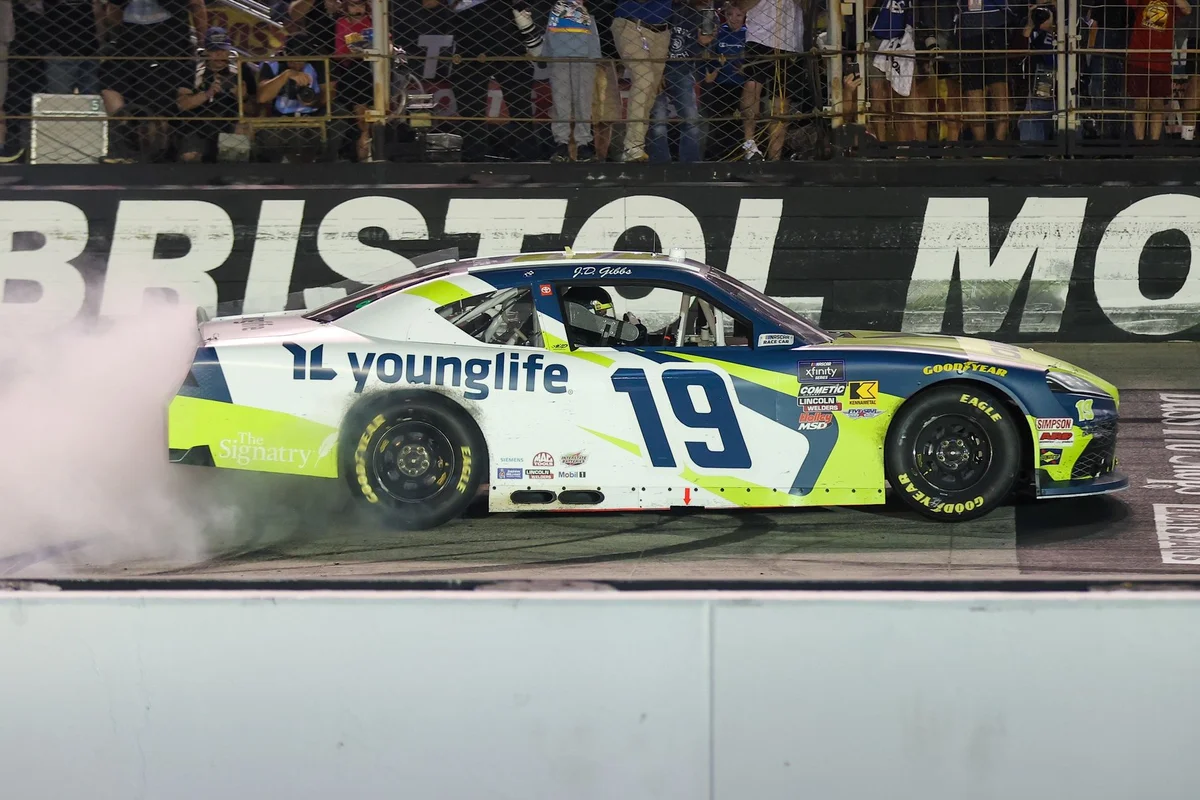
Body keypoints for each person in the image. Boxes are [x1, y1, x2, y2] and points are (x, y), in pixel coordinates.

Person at [176, 27, 253, 162]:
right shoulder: (192, 68)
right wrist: (207, 94)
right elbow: (182, 104)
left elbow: (255, 109)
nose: (219, 55)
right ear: (206, 51)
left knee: (241, 136)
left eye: (223, 50)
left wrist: (242, 97)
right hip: (197, 122)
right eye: (214, 50)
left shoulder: (241, 68)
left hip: (230, 121)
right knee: (190, 157)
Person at [542, 0, 602, 162]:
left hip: (584, 56)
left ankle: (583, 143)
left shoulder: (586, 9)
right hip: (558, 56)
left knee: (583, 100)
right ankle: (561, 143)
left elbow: (593, 29)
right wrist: (545, 54)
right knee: (561, 100)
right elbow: (548, 30)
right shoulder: (555, 8)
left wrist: (594, 55)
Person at [1125, 0, 1191, 140]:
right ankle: (1139, 144)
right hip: (1139, 56)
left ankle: (1154, 144)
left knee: (1157, 102)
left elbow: (1187, 9)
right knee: (1140, 101)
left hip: (1161, 59)